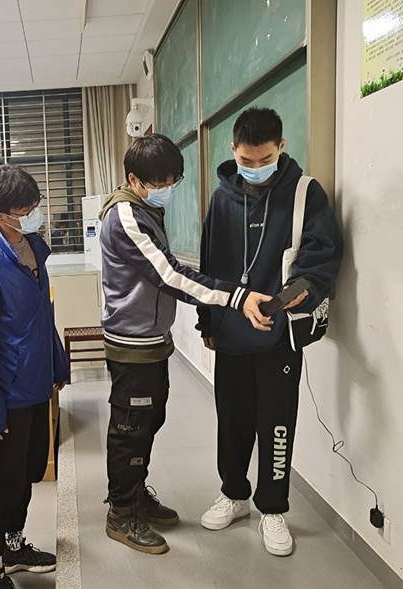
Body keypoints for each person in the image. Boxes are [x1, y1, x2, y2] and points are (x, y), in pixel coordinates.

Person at [98, 133, 273, 555]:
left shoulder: (145, 207)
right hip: (131, 344)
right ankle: (121, 512)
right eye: (158, 183)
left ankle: (135, 493)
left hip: (151, 340)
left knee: (148, 422)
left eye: (172, 181)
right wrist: (236, 297)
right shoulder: (125, 216)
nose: (167, 189)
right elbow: (170, 276)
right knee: (129, 430)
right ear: (133, 179)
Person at [196, 107, 343, 556]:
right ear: (233, 151)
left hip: (279, 333)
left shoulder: (304, 193)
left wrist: (293, 296)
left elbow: (321, 255)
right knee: (232, 419)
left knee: (276, 422)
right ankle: (233, 493)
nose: (256, 168)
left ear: (282, 147)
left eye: (265, 159)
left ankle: (273, 507)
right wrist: (207, 322)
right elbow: (209, 263)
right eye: (247, 160)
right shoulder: (221, 199)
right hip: (230, 332)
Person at [0, 165, 67, 589]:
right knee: (3, 482)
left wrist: (58, 363)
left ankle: (14, 545)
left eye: (35, 205)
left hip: (37, 384)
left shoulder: (34, 247)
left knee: (29, 472)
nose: (34, 214)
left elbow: (42, 315)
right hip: (7, 394)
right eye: (25, 210)